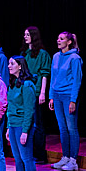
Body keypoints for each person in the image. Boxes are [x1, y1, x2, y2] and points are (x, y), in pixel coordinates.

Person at [49, 31, 83, 171]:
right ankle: (65, 157)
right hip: (57, 95)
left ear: (69, 42)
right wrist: (51, 96)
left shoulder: (75, 58)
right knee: (62, 128)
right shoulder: (56, 56)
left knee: (71, 128)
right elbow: (53, 77)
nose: (58, 40)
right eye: (58, 38)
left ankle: (73, 160)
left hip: (68, 96)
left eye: (61, 39)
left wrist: (73, 100)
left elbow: (77, 80)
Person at [5, 56, 37, 171]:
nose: (9, 66)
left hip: (23, 126)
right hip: (13, 125)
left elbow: (29, 110)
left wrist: (25, 131)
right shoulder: (12, 84)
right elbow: (10, 108)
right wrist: (8, 128)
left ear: (20, 66)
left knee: (27, 158)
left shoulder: (27, 85)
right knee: (17, 159)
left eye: (12, 64)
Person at [20, 27, 51, 163]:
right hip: (27, 91)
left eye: (28, 34)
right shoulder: (25, 53)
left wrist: (42, 93)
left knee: (38, 124)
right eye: (25, 34)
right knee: (28, 123)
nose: (25, 36)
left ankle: (40, 155)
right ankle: (29, 153)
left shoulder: (42, 54)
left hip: (37, 91)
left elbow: (44, 74)